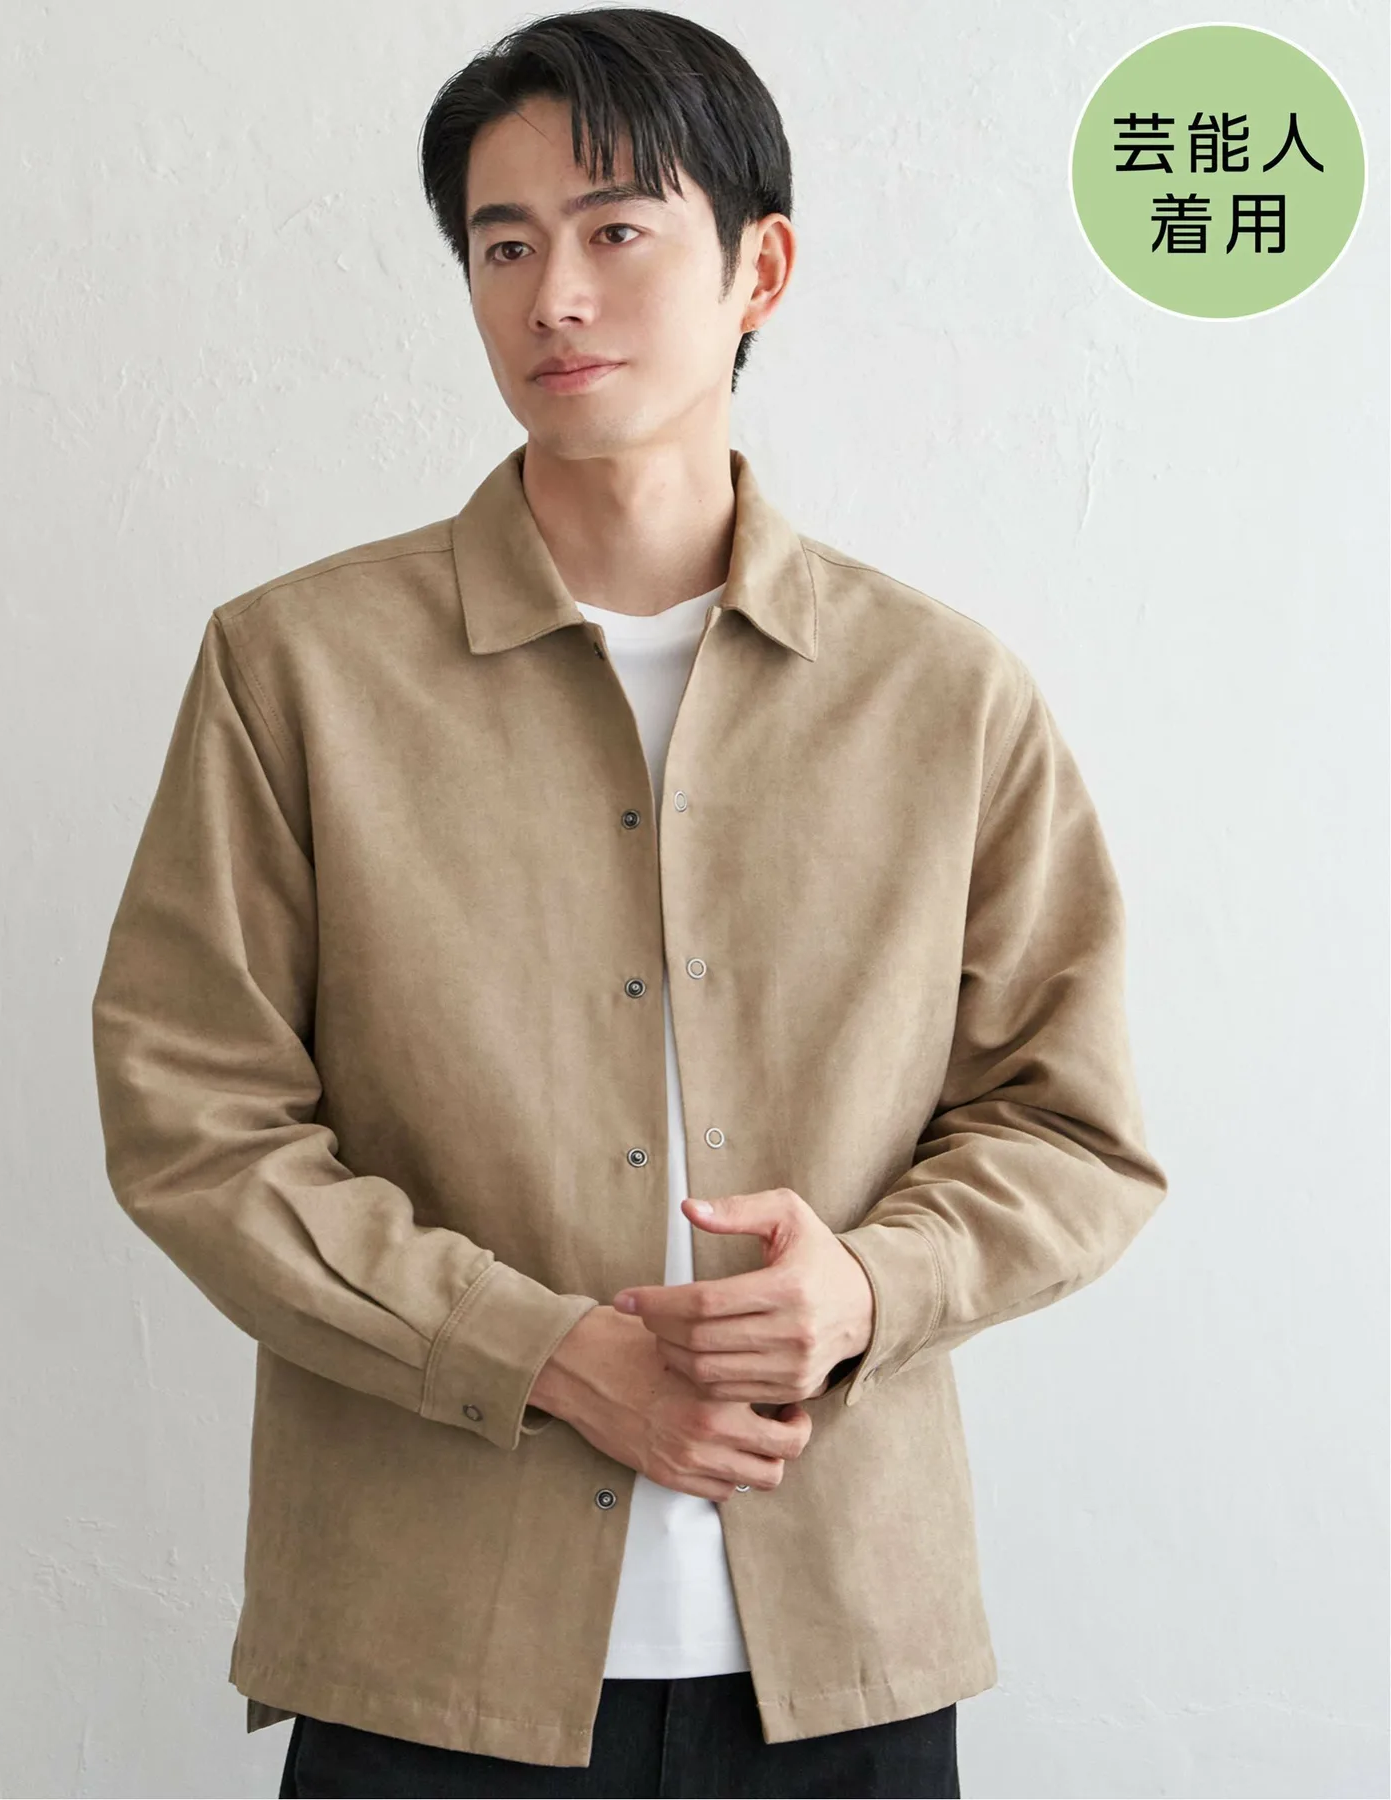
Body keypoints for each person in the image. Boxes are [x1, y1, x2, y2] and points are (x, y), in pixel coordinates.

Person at [90, 9, 1168, 1797]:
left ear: (761, 269)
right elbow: (193, 1123)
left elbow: (1074, 1131)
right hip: (427, 1656)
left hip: (842, 1654)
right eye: (502, 245)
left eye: (616, 231)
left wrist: (865, 1292)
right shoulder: (297, 671)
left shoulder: (941, 695)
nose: (555, 297)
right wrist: (537, 1353)